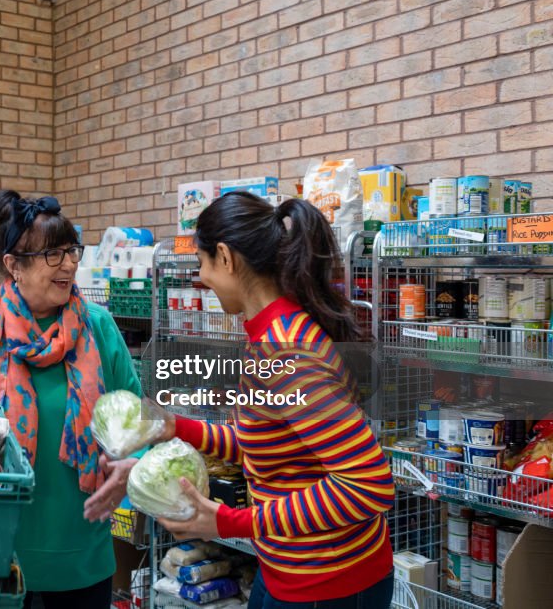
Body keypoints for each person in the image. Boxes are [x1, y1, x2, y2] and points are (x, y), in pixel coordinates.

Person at [158, 191, 395, 608]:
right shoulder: (268, 335)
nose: (202, 278)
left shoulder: (286, 350)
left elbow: (367, 485)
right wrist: (177, 427)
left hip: (331, 583)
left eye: (203, 262)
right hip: (290, 570)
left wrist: (230, 521)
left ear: (226, 258)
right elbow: (270, 441)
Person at [0, 190, 142, 609]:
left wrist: (134, 462)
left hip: (81, 553)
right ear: (14, 265)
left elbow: (139, 420)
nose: (69, 263)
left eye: (72, 251)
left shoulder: (98, 327)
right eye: (53, 254)